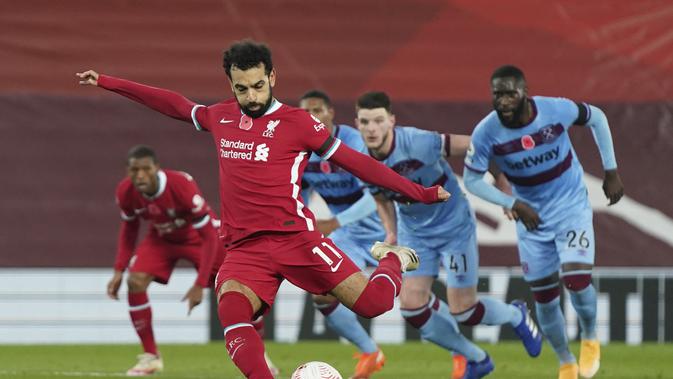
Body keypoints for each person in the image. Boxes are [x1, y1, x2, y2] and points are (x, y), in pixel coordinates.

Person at [77, 39, 448, 379]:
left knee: (375, 304)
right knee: (232, 312)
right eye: (241, 88)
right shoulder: (220, 117)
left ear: (272, 76)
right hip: (245, 249)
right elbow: (174, 104)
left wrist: (420, 192)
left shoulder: (300, 123)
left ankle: (393, 259)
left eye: (258, 85)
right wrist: (108, 82)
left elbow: (359, 163)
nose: (251, 96)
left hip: (296, 239)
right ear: (231, 84)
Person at [355, 91, 543, 379]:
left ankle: (516, 315)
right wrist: (391, 231)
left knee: (464, 310)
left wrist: (502, 183)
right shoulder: (359, 161)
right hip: (415, 233)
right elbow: (381, 197)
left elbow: (475, 145)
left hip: (454, 227)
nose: (372, 128)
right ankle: (476, 359)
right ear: (357, 123)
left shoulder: (419, 142)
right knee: (412, 307)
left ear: (391, 121)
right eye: (365, 121)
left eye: (378, 120)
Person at [463, 65, 624, 379]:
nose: (504, 101)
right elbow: (471, 180)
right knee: (545, 299)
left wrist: (611, 171)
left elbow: (597, 118)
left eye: (510, 93)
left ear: (524, 92)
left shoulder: (554, 110)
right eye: (498, 94)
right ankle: (565, 361)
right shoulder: (486, 132)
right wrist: (512, 203)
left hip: (570, 207)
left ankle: (590, 335)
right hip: (531, 218)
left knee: (577, 281)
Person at [108, 145, 226, 376]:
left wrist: (200, 284)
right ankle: (151, 357)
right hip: (161, 238)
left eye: (145, 169)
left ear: (156, 168)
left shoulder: (180, 185)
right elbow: (130, 230)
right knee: (136, 281)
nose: (140, 175)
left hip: (199, 238)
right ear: (128, 171)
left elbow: (209, 237)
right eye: (134, 170)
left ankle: (259, 352)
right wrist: (119, 269)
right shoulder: (125, 192)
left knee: (230, 288)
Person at [299, 90, 386, 379]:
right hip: (347, 235)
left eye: (317, 110)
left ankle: (466, 355)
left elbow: (374, 196)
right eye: (306, 112)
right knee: (322, 293)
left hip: (386, 228)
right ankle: (370, 352)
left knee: (418, 303)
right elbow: (301, 193)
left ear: (331, 112)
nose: (312, 117)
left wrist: (334, 222)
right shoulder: (301, 150)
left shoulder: (352, 142)